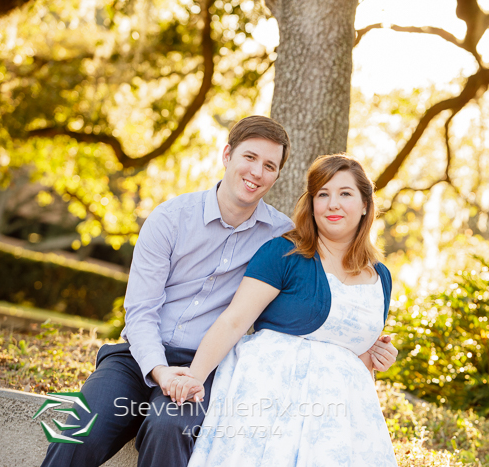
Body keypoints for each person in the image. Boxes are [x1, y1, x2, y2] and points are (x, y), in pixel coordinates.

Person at [40, 117, 399, 467]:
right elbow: (140, 312)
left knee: (169, 427)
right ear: (227, 155)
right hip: (138, 358)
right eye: (249, 157)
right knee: (80, 427)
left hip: (207, 364)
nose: (257, 172)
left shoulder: (283, 237)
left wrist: (365, 343)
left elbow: (318, 294)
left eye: (269, 165)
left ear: (277, 176)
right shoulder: (170, 218)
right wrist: (161, 372)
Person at [169, 154, 399, 466]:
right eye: (323, 194)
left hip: (340, 422)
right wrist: (194, 377)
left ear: (365, 205)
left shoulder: (381, 277)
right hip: (269, 402)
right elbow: (234, 321)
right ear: (311, 204)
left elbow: (357, 361)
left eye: (345, 194)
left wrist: (374, 358)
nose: (333, 204)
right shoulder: (283, 253)